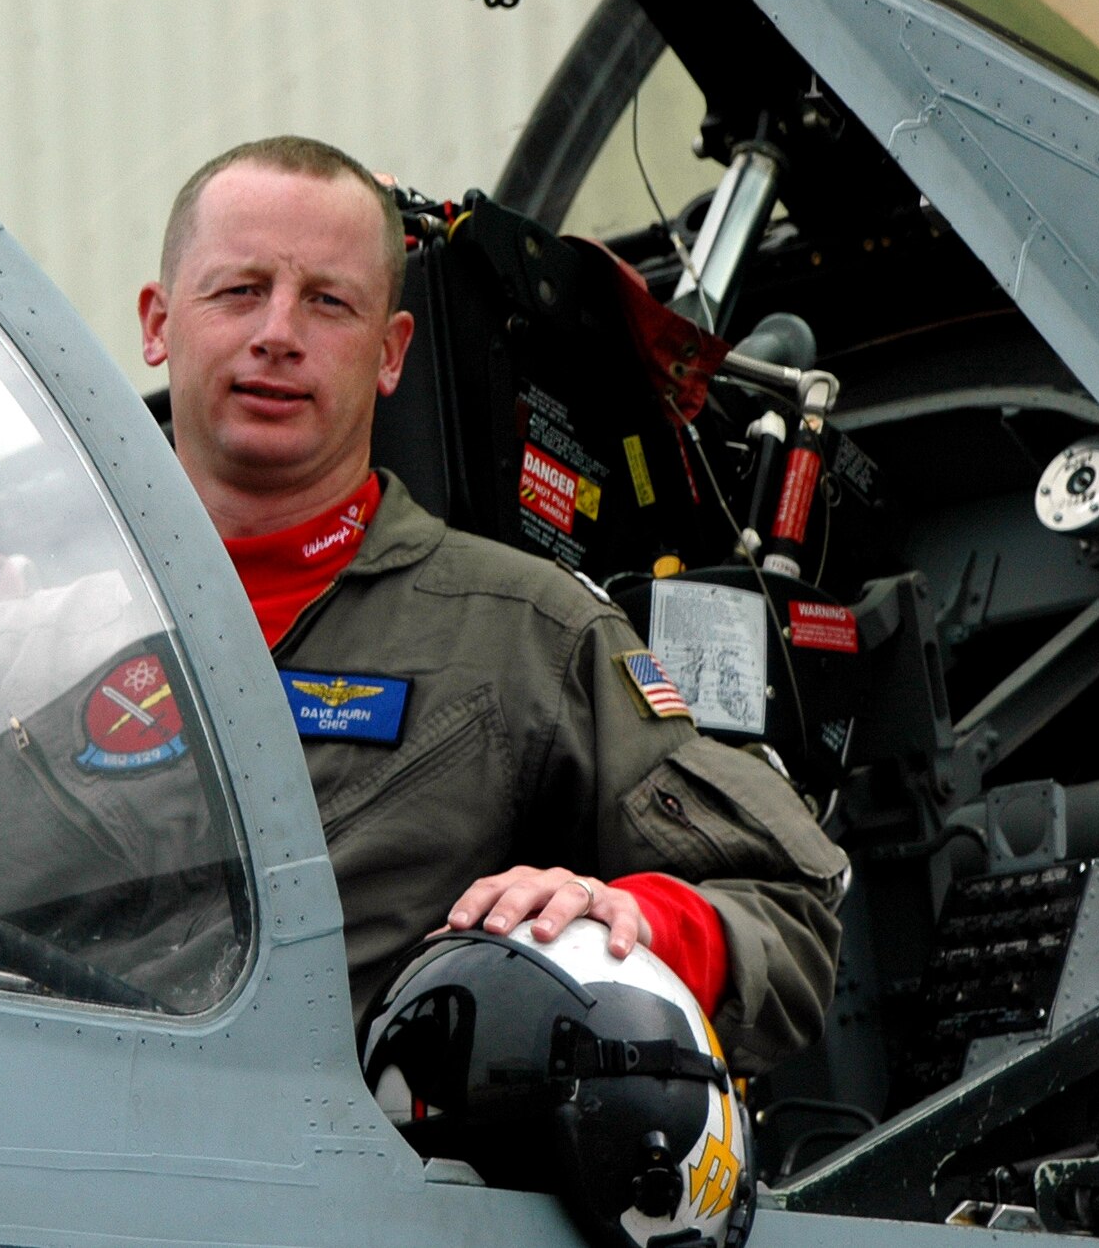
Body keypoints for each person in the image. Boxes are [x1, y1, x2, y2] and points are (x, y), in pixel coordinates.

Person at [136, 136, 848, 1072]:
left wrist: (629, 921)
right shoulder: (13, 645)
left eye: (327, 301)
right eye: (238, 290)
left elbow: (785, 907)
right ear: (156, 323)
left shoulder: (528, 637)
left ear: (392, 354)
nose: (278, 331)